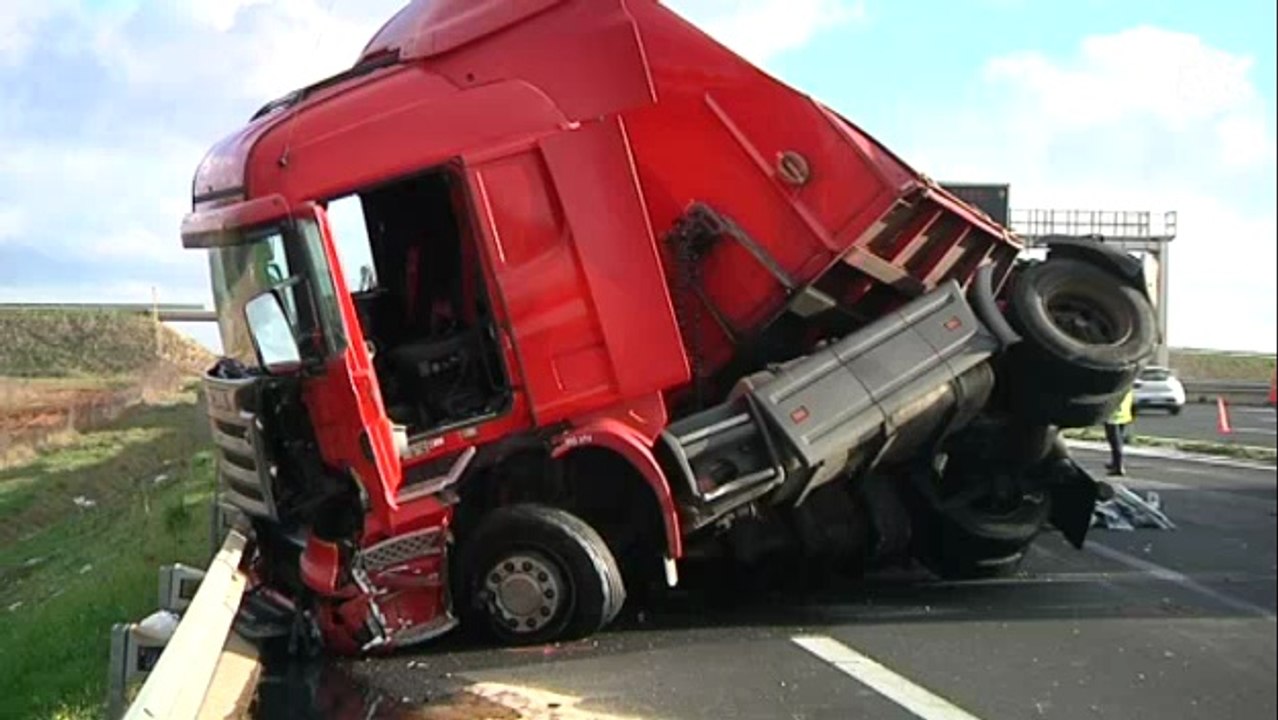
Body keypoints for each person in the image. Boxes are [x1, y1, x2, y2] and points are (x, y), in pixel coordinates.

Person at [1105, 387, 1135, 476]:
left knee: (1115, 441)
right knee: (1119, 440)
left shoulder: (1115, 386)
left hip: (1113, 416)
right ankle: (1115, 462)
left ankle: (1118, 466)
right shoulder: (1126, 385)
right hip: (1123, 414)